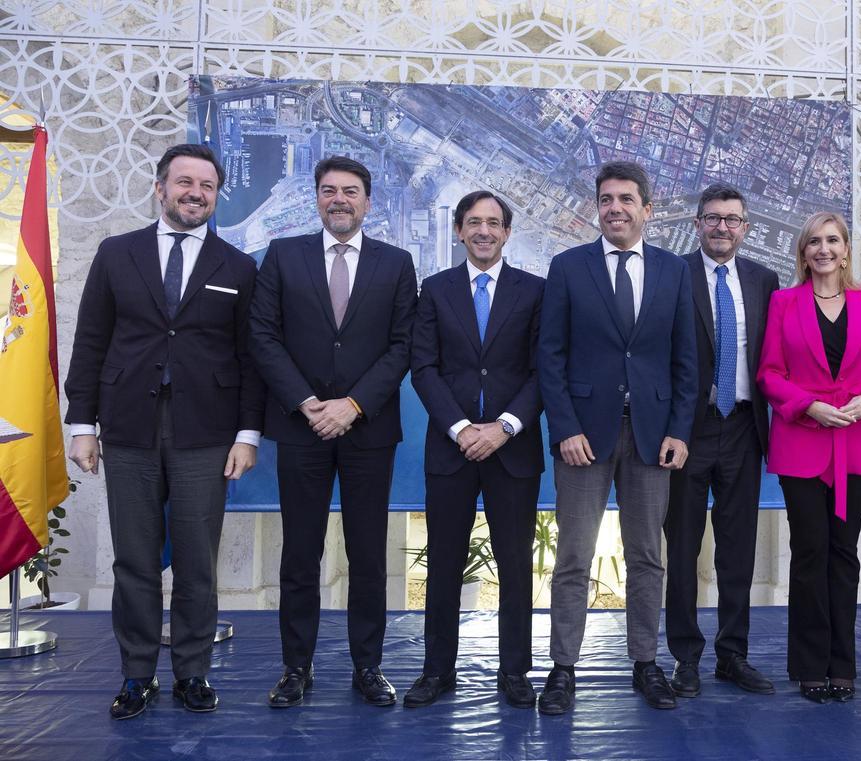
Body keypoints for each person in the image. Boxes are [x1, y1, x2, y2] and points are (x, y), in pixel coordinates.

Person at [64, 144, 264, 719]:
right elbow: (92, 342)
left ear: (216, 196)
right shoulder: (116, 253)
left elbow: (251, 358)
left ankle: (193, 673)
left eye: (205, 185)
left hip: (207, 432)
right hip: (128, 427)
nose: (194, 193)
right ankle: (136, 675)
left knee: (199, 560)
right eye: (184, 182)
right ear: (160, 188)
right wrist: (83, 426)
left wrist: (247, 435)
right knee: (134, 558)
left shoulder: (238, 266)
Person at [249, 156, 417, 708]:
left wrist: (353, 405)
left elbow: (402, 347)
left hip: (368, 429)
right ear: (316, 198)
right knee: (300, 552)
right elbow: (264, 336)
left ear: (368, 201)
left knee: (369, 554)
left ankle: (367, 666)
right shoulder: (283, 255)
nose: (339, 199)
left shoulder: (396, 264)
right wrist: (307, 403)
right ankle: (296, 668)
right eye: (329, 191)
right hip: (302, 428)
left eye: (350, 191)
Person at [537, 160, 697, 714]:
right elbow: (549, 356)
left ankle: (646, 664)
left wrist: (680, 429)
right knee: (574, 557)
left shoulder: (675, 271)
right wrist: (564, 429)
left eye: (627, 199)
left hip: (653, 438)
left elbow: (685, 359)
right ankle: (562, 669)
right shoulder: (567, 267)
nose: (615, 208)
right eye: (606, 199)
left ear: (647, 210)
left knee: (648, 555)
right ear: (597, 208)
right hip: (584, 437)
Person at [406, 191, 544, 709]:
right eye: (474, 223)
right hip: (452, 449)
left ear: (507, 233)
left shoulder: (535, 291)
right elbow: (424, 368)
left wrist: (503, 427)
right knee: (442, 562)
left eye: (493, 223)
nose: (484, 231)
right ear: (460, 231)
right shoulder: (435, 290)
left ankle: (515, 672)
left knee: (515, 563)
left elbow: (542, 370)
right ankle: (437, 671)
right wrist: (462, 428)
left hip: (513, 449)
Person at [757, 211, 861, 703]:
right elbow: (770, 373)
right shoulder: (783, 302)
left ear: (845, 249)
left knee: (846, 554)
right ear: (803, 252)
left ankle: (844, 665)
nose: (823, 249)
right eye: (813, 241)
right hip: (802, 443)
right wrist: (808, 405)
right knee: (810, 552)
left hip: (856, 443)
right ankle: (810, 663)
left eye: (832, 240)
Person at [664, 182, 779, 698]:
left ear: (745, 227)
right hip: (688, 430)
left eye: (732, 219)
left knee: (738, 550)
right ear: (697, 224)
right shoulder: (673, 275)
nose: (722, 227)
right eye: (713, 218)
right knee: (683, 546)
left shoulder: (764, 279)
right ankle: (685, 658)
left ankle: (733, 655)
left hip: (744, 429)